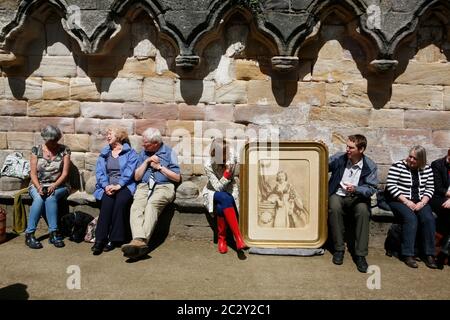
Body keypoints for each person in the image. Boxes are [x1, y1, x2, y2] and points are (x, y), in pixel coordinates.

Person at [121, 128, 180, 259]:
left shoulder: (170, 153)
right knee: (136, 207)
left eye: (146, 143)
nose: (143, 145)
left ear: (155, 143)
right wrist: (146, 162)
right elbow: (136, 177)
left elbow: (176, 177)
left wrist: (160, 167)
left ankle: (140, 241)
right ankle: (139, 241)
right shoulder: (143, 153)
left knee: (151, 205)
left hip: (164, 186)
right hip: (144, 186)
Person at [328, 134, 378, 273]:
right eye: (347, 146)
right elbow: (323, 165)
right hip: (338, 194)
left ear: (361, 149)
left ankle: (360, 255)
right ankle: (339, 249)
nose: (347, 150)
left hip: (357, 197)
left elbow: (372, 187)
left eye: (351, 147)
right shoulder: (340, 157)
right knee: (334, 207)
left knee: (363, 211)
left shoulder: (370, 165)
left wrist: (357, 189)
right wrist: (322, 149)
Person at [385, 145, 437, 269]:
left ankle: (429, 254)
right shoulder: (397, 166)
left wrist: (422, 203)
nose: (411, 160)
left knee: (428, 218)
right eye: (410, 156)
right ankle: (408, 254)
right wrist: (407, 202)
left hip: (419, 200)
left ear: (421, 160)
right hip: (399, 200)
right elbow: (391, 186)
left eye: (415, 158)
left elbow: (430, 188)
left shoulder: (427, 169)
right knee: (410, 218)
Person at [91, 127, 138, 255]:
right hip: (108, 186)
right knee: (107, 203)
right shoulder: (105, 152)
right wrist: (106, 186)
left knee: (120, 202)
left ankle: (114, 239)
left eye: (110, 134)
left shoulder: (130, 152)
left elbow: (130, 171)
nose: (107, 136)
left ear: (119, 136)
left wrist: (119, 185)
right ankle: (100, 240)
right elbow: (100, 172)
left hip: (125, 186)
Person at [25, 125, 71, 249]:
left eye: (57, 140)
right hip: (37, 184)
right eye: (52, 141)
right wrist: (39, 187)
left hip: (60, 185)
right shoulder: (36, 150)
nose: (55, 143)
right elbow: (33, 173)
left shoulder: (65, 150)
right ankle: (29, 234)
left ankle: (53, 233)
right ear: (45, 139)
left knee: (51, 197)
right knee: (39, 198)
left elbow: (65, 174)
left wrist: (54, 185)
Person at [202, 138, 247, 254]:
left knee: (223, 204)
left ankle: (222, 239)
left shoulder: (231, 156)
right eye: (223, 154)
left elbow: (243, 155)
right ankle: (238, 238)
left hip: (230, 189)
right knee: (223, 197)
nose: (226, 155)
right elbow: (217, 187)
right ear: (215, 153)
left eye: (226, 152)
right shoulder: (208, 164)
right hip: (213, 191)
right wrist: (227, 173)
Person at [430, 148, 450, 268]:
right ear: (448, 153)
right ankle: (444, 251)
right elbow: (438, 188)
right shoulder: (437, 165)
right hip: (437, 198)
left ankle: (444, 251)